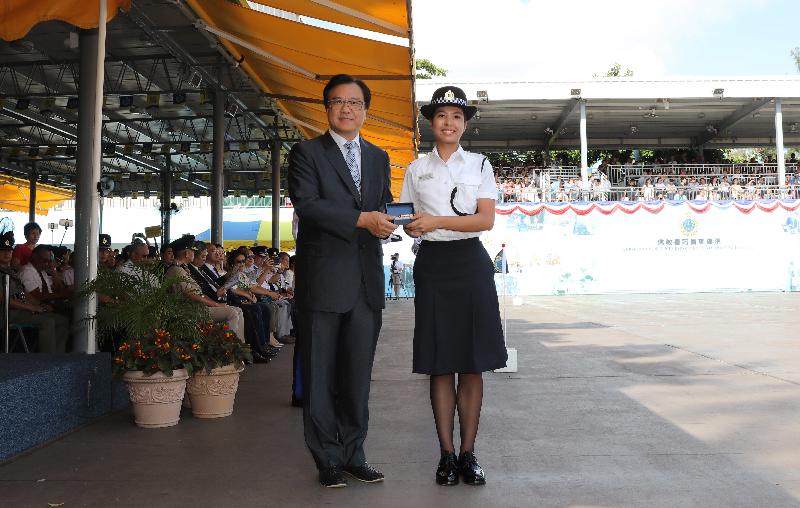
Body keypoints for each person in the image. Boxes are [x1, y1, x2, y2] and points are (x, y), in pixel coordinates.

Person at [288, 73, 396, 488]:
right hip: (324, 281)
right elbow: (309, 206)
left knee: (357, 376)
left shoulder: (379, 156)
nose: (346, 108)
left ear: (365, 110)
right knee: (319, 376)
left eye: (354, 102)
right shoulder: (306, 152)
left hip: (367, 283)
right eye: (337, 102)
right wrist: (361, 220)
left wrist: (393, 223)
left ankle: (354, 453)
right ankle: (326, 459)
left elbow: (380, 207)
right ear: (327, 109)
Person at [400, 86, 507, 487]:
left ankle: (468, 453)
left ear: (465, 124)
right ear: (431, 122)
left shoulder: (480, 165)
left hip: (471, 263)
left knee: (472, 360)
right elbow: (409, 217)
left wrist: (437, 221)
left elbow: (485, 221)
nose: (449, 123)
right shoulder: (416, 168)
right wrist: (407, 224)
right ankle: (445, 454)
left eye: (457, 117)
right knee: (439, 361)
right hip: (433, 265)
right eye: (442, 116)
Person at [0, 231, 69, 353]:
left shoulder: (12, 272)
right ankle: (46, 362)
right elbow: (3, 299)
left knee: (62, 321)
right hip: (6, 312)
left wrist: (38, 305)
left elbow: (24, 293)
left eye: (9, 251)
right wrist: (30, 307)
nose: (7, 254)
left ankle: (58, 359)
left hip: (20, 309)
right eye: (2, 250)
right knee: (47, 322)